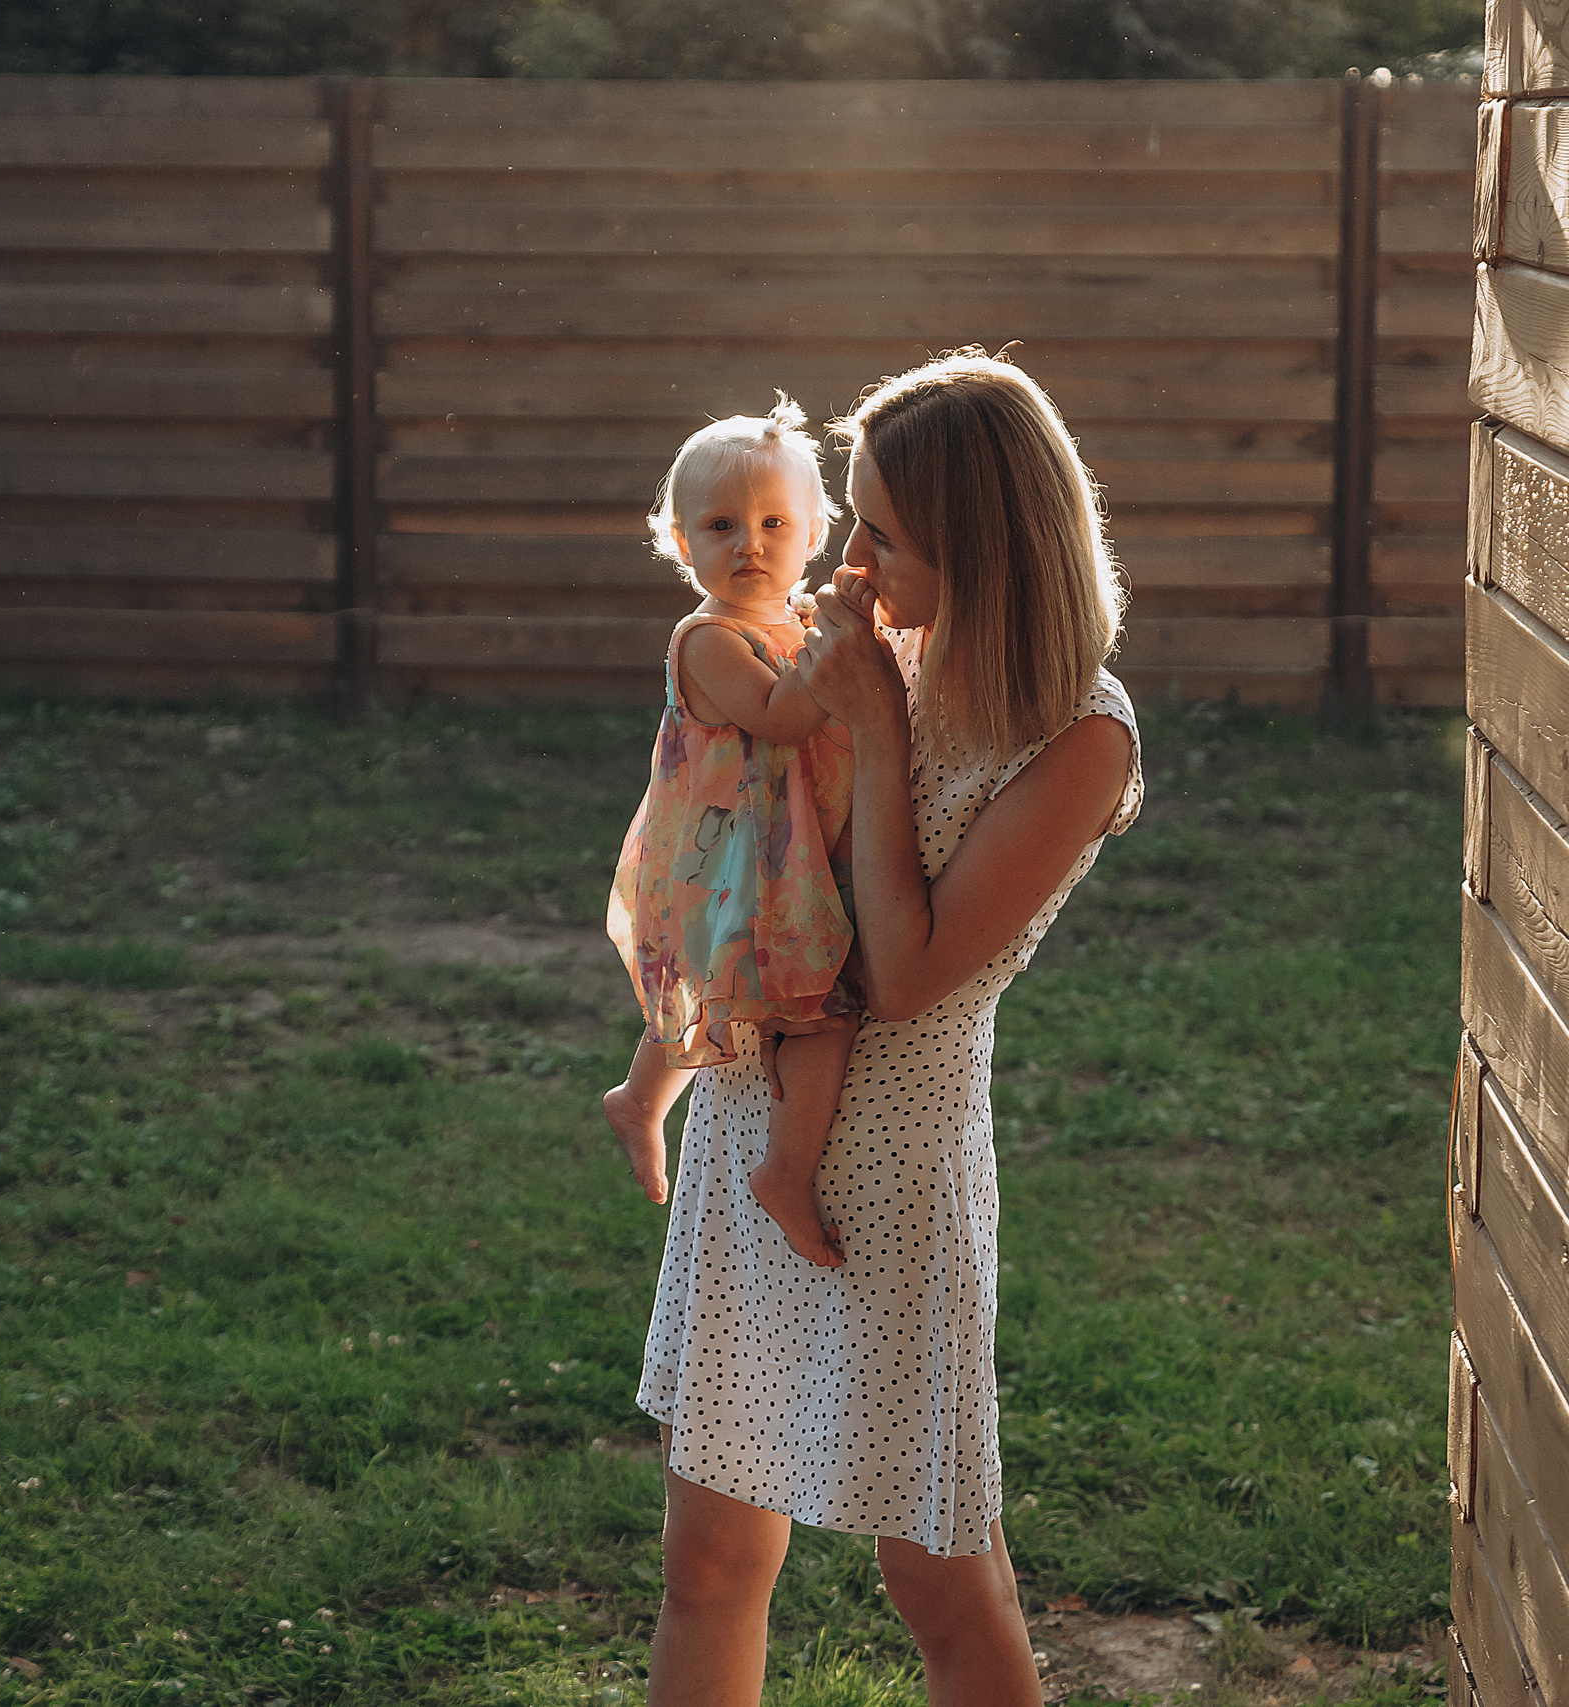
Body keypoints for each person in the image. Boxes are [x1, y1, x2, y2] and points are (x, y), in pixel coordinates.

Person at [625, 350, 1143, 1707]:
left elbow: (905, 970)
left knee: (937, 1577)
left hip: (895, 1177)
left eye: (883, 535)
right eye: (848, 517)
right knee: (709, 1558)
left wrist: (858, 708)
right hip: (760, 1127)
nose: (847, 559)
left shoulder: (1078, 737)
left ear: (980, 548)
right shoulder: (871, 643)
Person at [603, 396, 867, 1270]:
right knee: (801, 1015)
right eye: (721, 525)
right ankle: (778, 1169)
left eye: (773, 521)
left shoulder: (792, 624)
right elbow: (783, 718)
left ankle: (640, 1101)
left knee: (717, 990)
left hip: (772, 851)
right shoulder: (708, 638)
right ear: (681, 542)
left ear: (816, 532)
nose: (749, 543)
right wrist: (843, 643)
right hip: (730, 860)